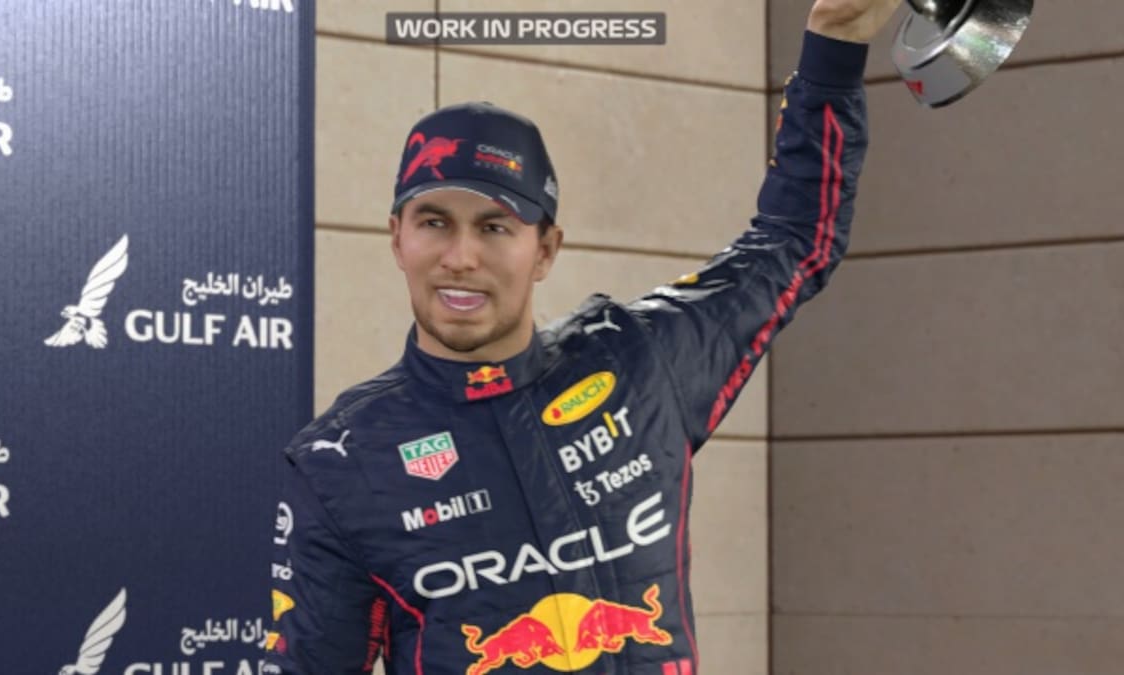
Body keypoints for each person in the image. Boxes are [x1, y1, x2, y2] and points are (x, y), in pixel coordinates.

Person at [264, 1, 900, 673]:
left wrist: (833, 46)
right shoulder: (339, 462)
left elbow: (794, 240)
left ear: (545, 249)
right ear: (398, 238)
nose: (460, 257)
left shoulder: (641, 360)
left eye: (494, 226)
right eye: (434, 222)